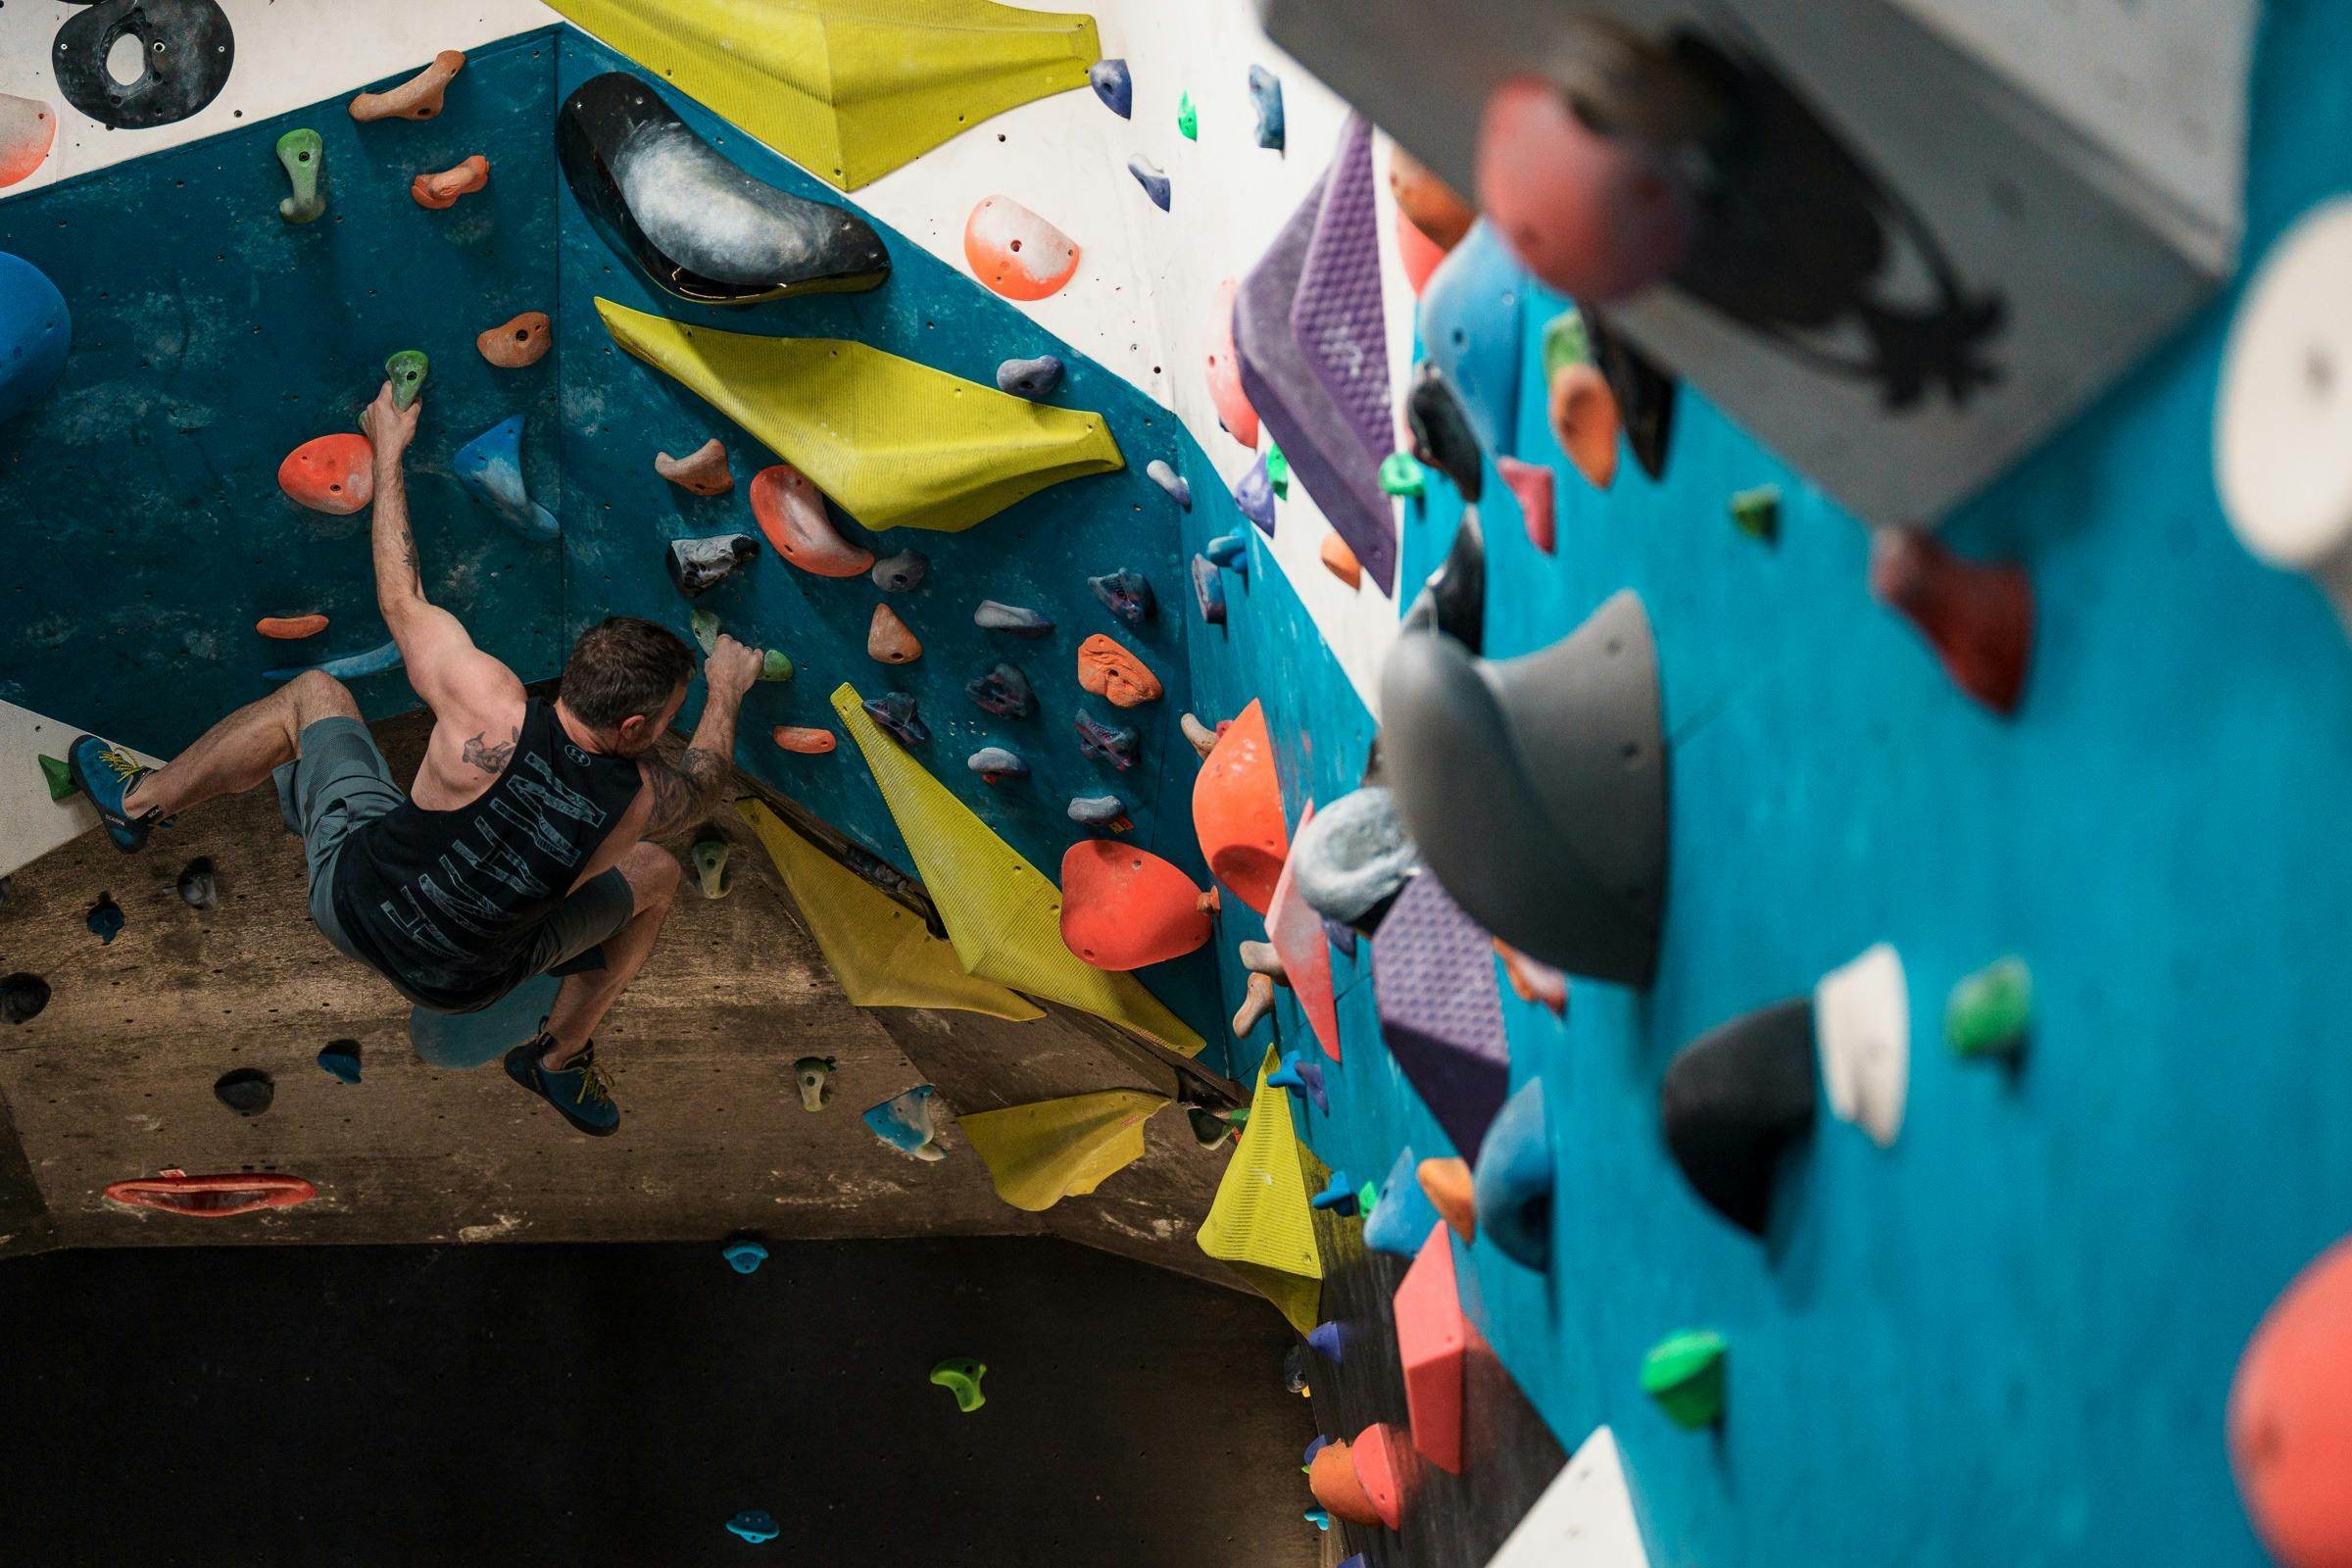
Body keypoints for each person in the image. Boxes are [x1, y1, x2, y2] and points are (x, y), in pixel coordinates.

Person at [66, 381, 764, 1137]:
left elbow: (401, 597)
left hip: (356, 903)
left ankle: (139, 804)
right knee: (657, 876)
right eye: (669, 716)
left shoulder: (487, 703)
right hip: (455, 984)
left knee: (313, 694)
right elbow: (707, 781)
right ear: (635, 727)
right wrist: (725, 692)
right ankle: (557, 1058)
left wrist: (390, 450)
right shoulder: (642, 799)